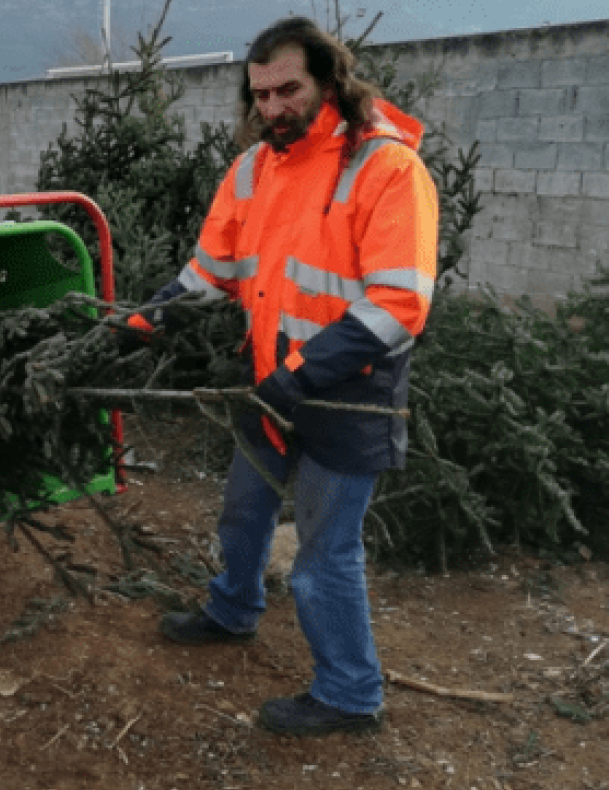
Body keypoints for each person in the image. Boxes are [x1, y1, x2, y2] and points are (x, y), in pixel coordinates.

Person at [129, 17, 438, 736]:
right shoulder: (253, 170)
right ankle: (233, 611)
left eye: (288, 90)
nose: (272, 108)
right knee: (242, 513)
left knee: (324, 555)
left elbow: (399, 303)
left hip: (349, 394)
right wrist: (143, 321)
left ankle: (350, 694)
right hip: (268, 385)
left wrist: (299, 374)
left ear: (330, 81)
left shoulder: (387, 170)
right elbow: (212, 271)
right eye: (260, 93)